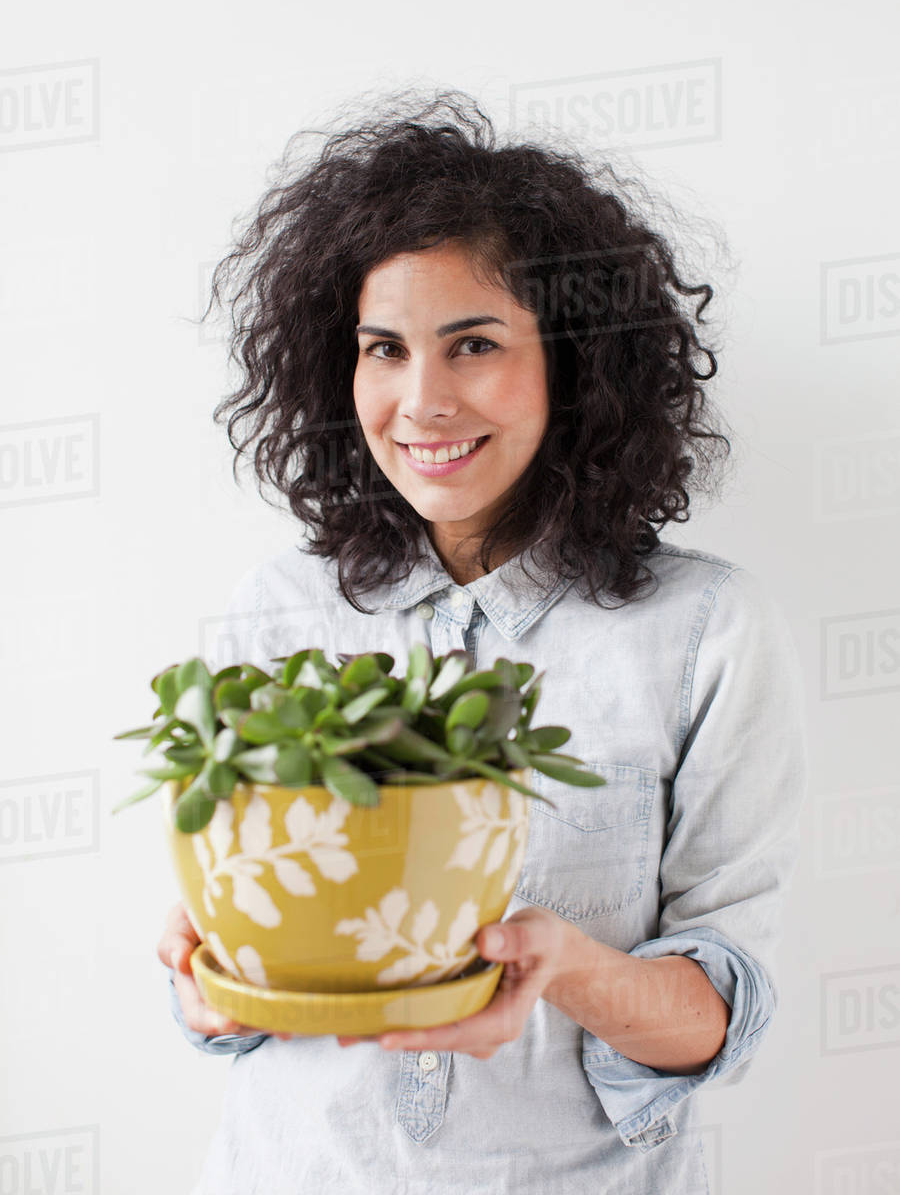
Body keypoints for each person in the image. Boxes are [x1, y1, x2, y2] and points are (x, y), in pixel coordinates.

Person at [157, 90, 807, 1194]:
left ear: (575, 363)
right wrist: (205, 984)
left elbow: (715, 1021)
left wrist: (563, 966)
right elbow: (219, 995)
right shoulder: (276, 613)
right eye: (383, 349)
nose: (421, 402)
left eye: (473, 345)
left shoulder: (706, 631)